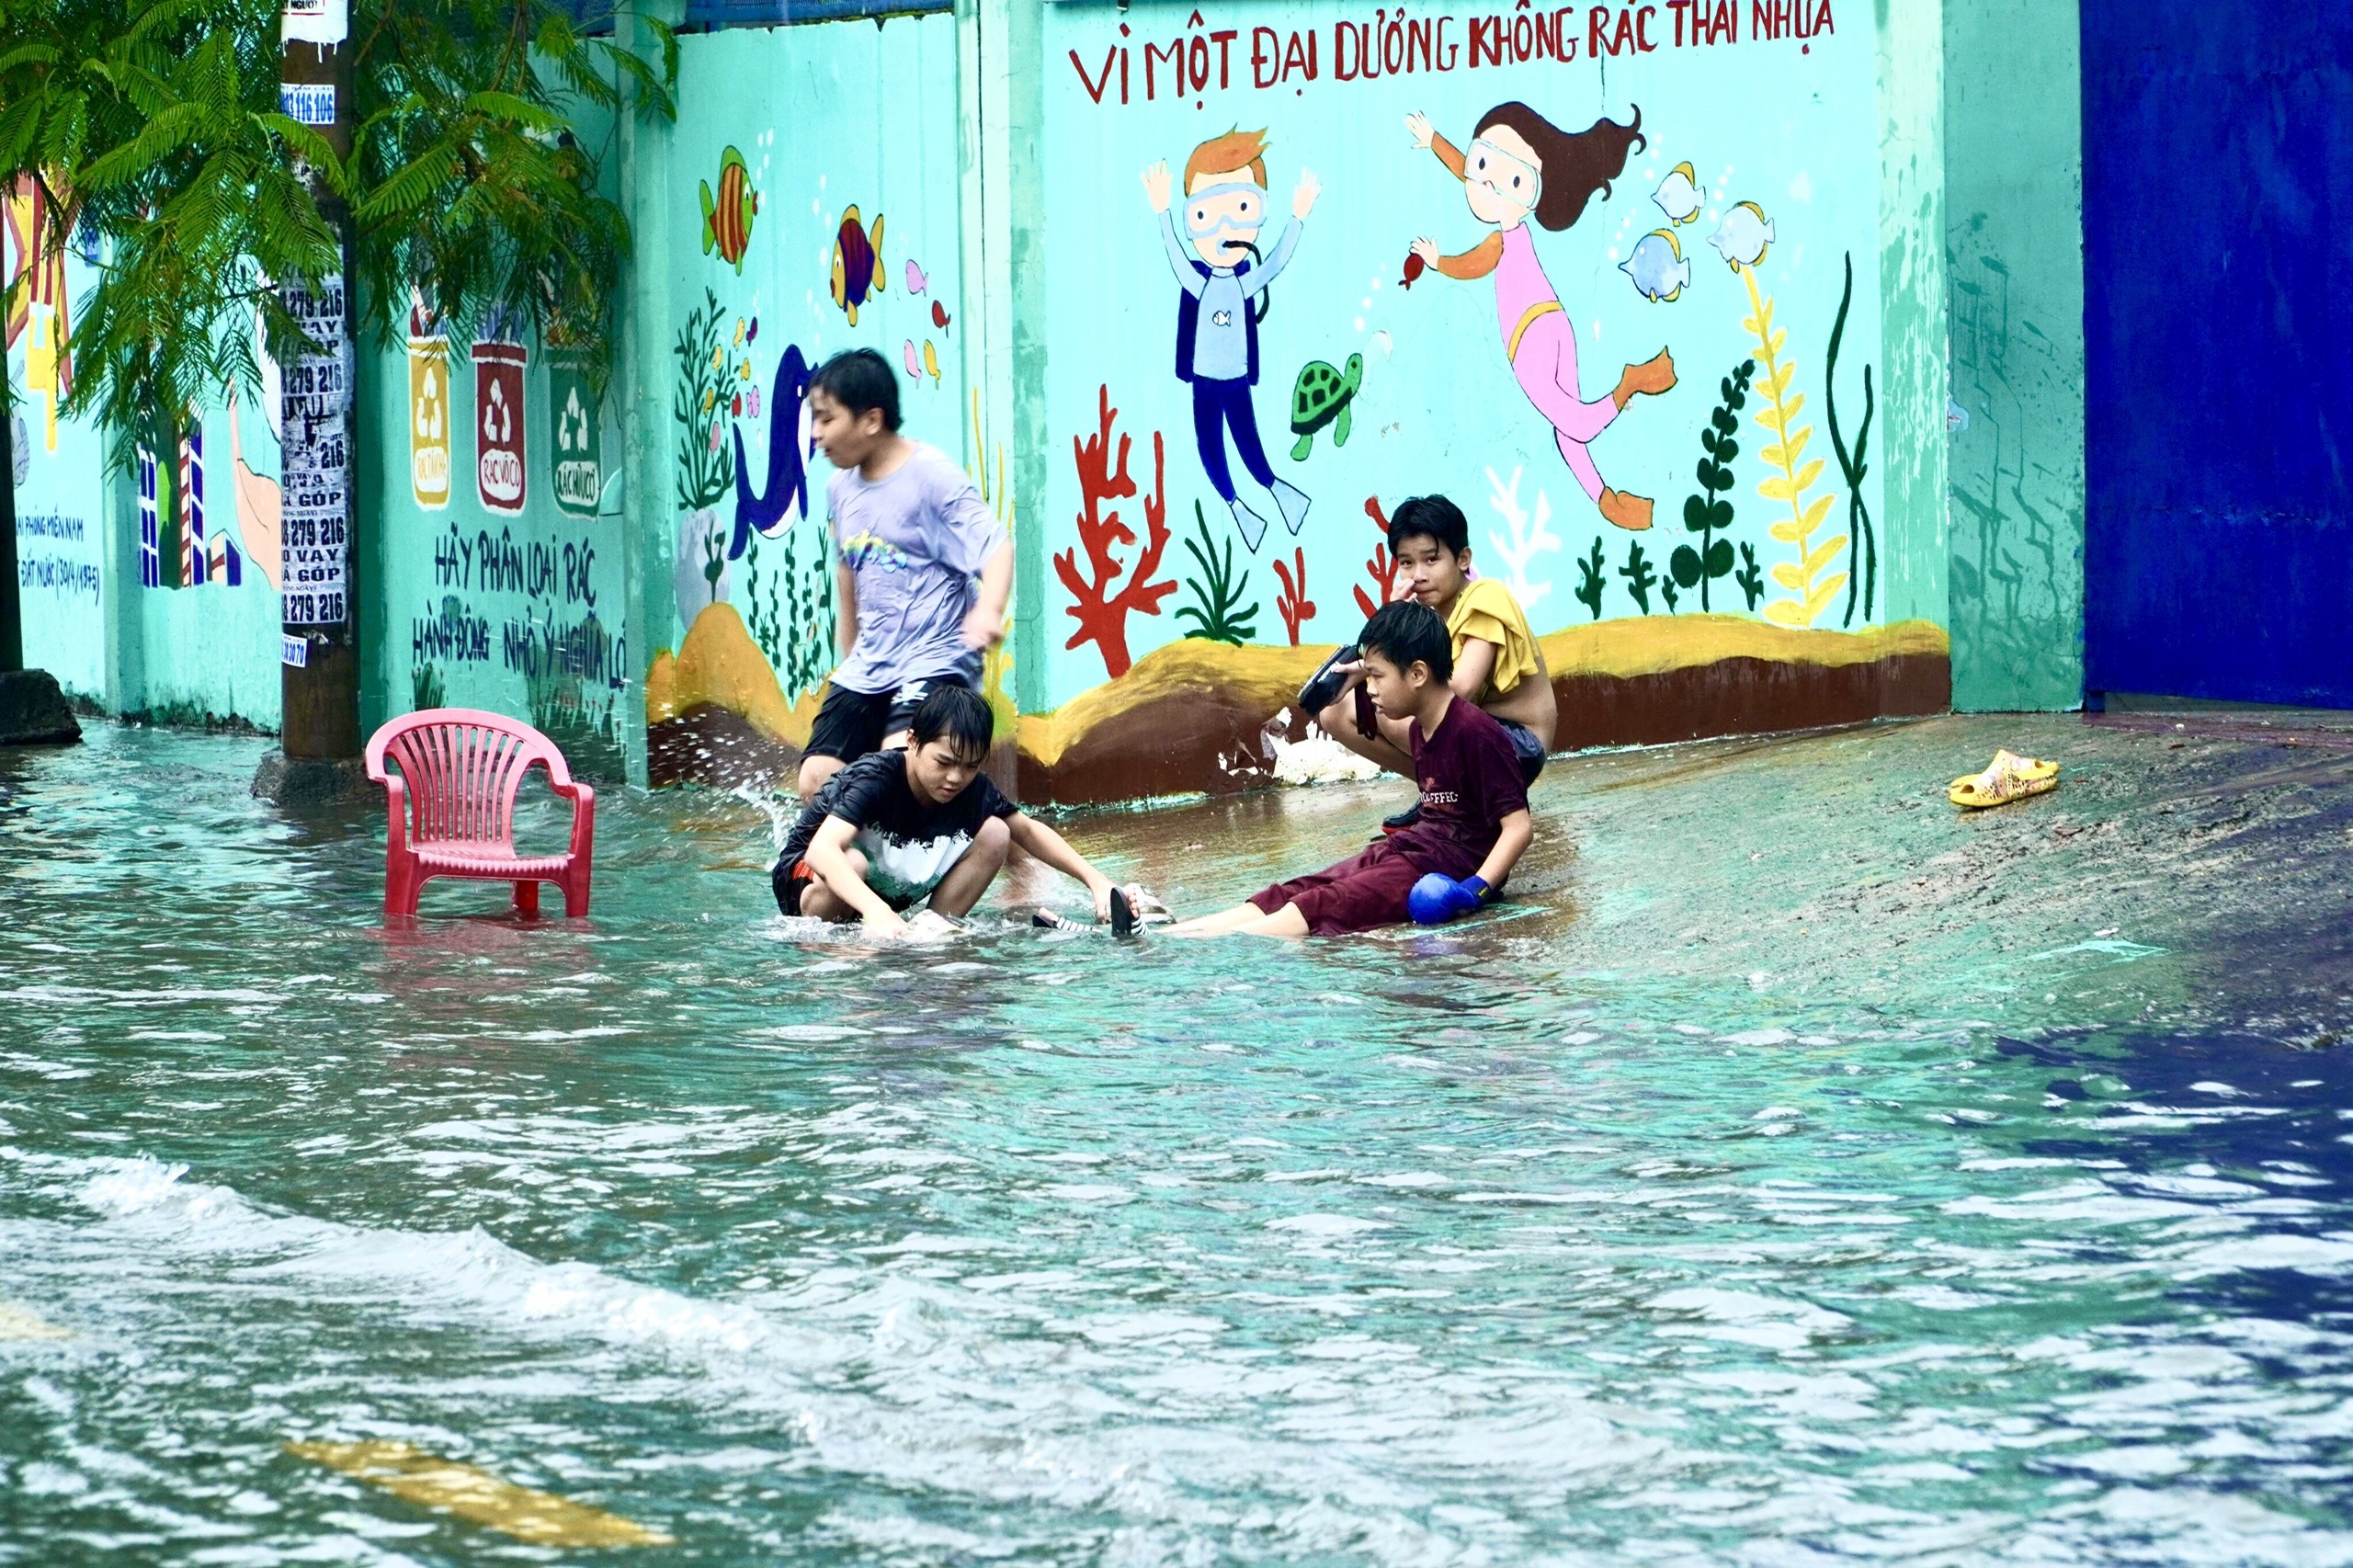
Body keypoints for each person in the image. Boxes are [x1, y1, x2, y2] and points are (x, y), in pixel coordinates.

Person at [1171, 601, 1532, 937]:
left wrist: (1476, 889)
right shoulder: (1421, 727)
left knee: (1327, 903)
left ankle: (1216, 945)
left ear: (1418, 673)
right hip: (1415, 847)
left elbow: (1518, 828)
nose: (1370, 689)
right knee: (1304, 887)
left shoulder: (1477, 732)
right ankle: (1174, 935)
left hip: (1446, 869)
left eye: (1376, 677)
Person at [1404, 102, 1674, 530]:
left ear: (1535, 191)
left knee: (1576, 422)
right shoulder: (1514, 220)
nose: (1490, 182)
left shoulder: (1502, 239)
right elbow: (1471, 172)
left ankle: (1629, 385)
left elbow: (1474, 262)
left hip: (1529, 341)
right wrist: (1434, 139)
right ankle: (1608, 500)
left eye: (1513, 179)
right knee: (1565, 428)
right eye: (1484, 162)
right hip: (1554, 324)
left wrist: (1438, 261)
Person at [797, 347, 1013, 801]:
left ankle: (1001, 838)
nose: (816, 434)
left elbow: (995, 546)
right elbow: (847, 569)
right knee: (817, 779)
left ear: (871, 420)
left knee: (905, 768)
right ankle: (862, 867)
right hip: (871, 665)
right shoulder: (839, 488)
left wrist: (989, 610)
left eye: (826, 419)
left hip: (936, 657)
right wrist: (850, 649)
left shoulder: (931, 477)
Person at [774, 687, 1138, 938]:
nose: (955, 778)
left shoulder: (972, 788)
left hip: (883, 888)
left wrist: (1098, 882)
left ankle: (931, 926)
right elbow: (821, 851)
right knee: (851, 862)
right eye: (944, 762)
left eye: (969, 766)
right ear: (913, 741)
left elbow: (1029, 832)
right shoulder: (875, 777)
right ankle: (830, 942)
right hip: (811, 889)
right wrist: (875, 911)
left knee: (997, 832)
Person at [1301, 494, 1556, 825]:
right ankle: (1438, 795)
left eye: (1431, 560)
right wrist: (1393, 621)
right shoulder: (1426, 614)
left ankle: (1453, 799)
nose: (1417, 575)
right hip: (1474, 737)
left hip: (1518, 746)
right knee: (1336, 713)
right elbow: (1409, 678)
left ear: (1463, 558)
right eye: (1406, 563)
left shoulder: (1486, 597)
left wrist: (1371, 670)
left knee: (1401, 710)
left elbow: (1459, 690)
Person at [1142, 129, 1320, 551]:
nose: (1225, 228)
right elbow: (1174, 258)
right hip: (1204, 379)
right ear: (1192, 222)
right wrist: (1162, 212)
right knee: (1211, 449)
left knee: (1247, 442)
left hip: (1235, 378)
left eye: (1242, 208)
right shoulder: (1198, 281)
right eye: (1204, 215)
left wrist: (1298, 217)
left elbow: (1274, 263)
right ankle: (1240, 508)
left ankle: (1279, 493)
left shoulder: (1243, 283)